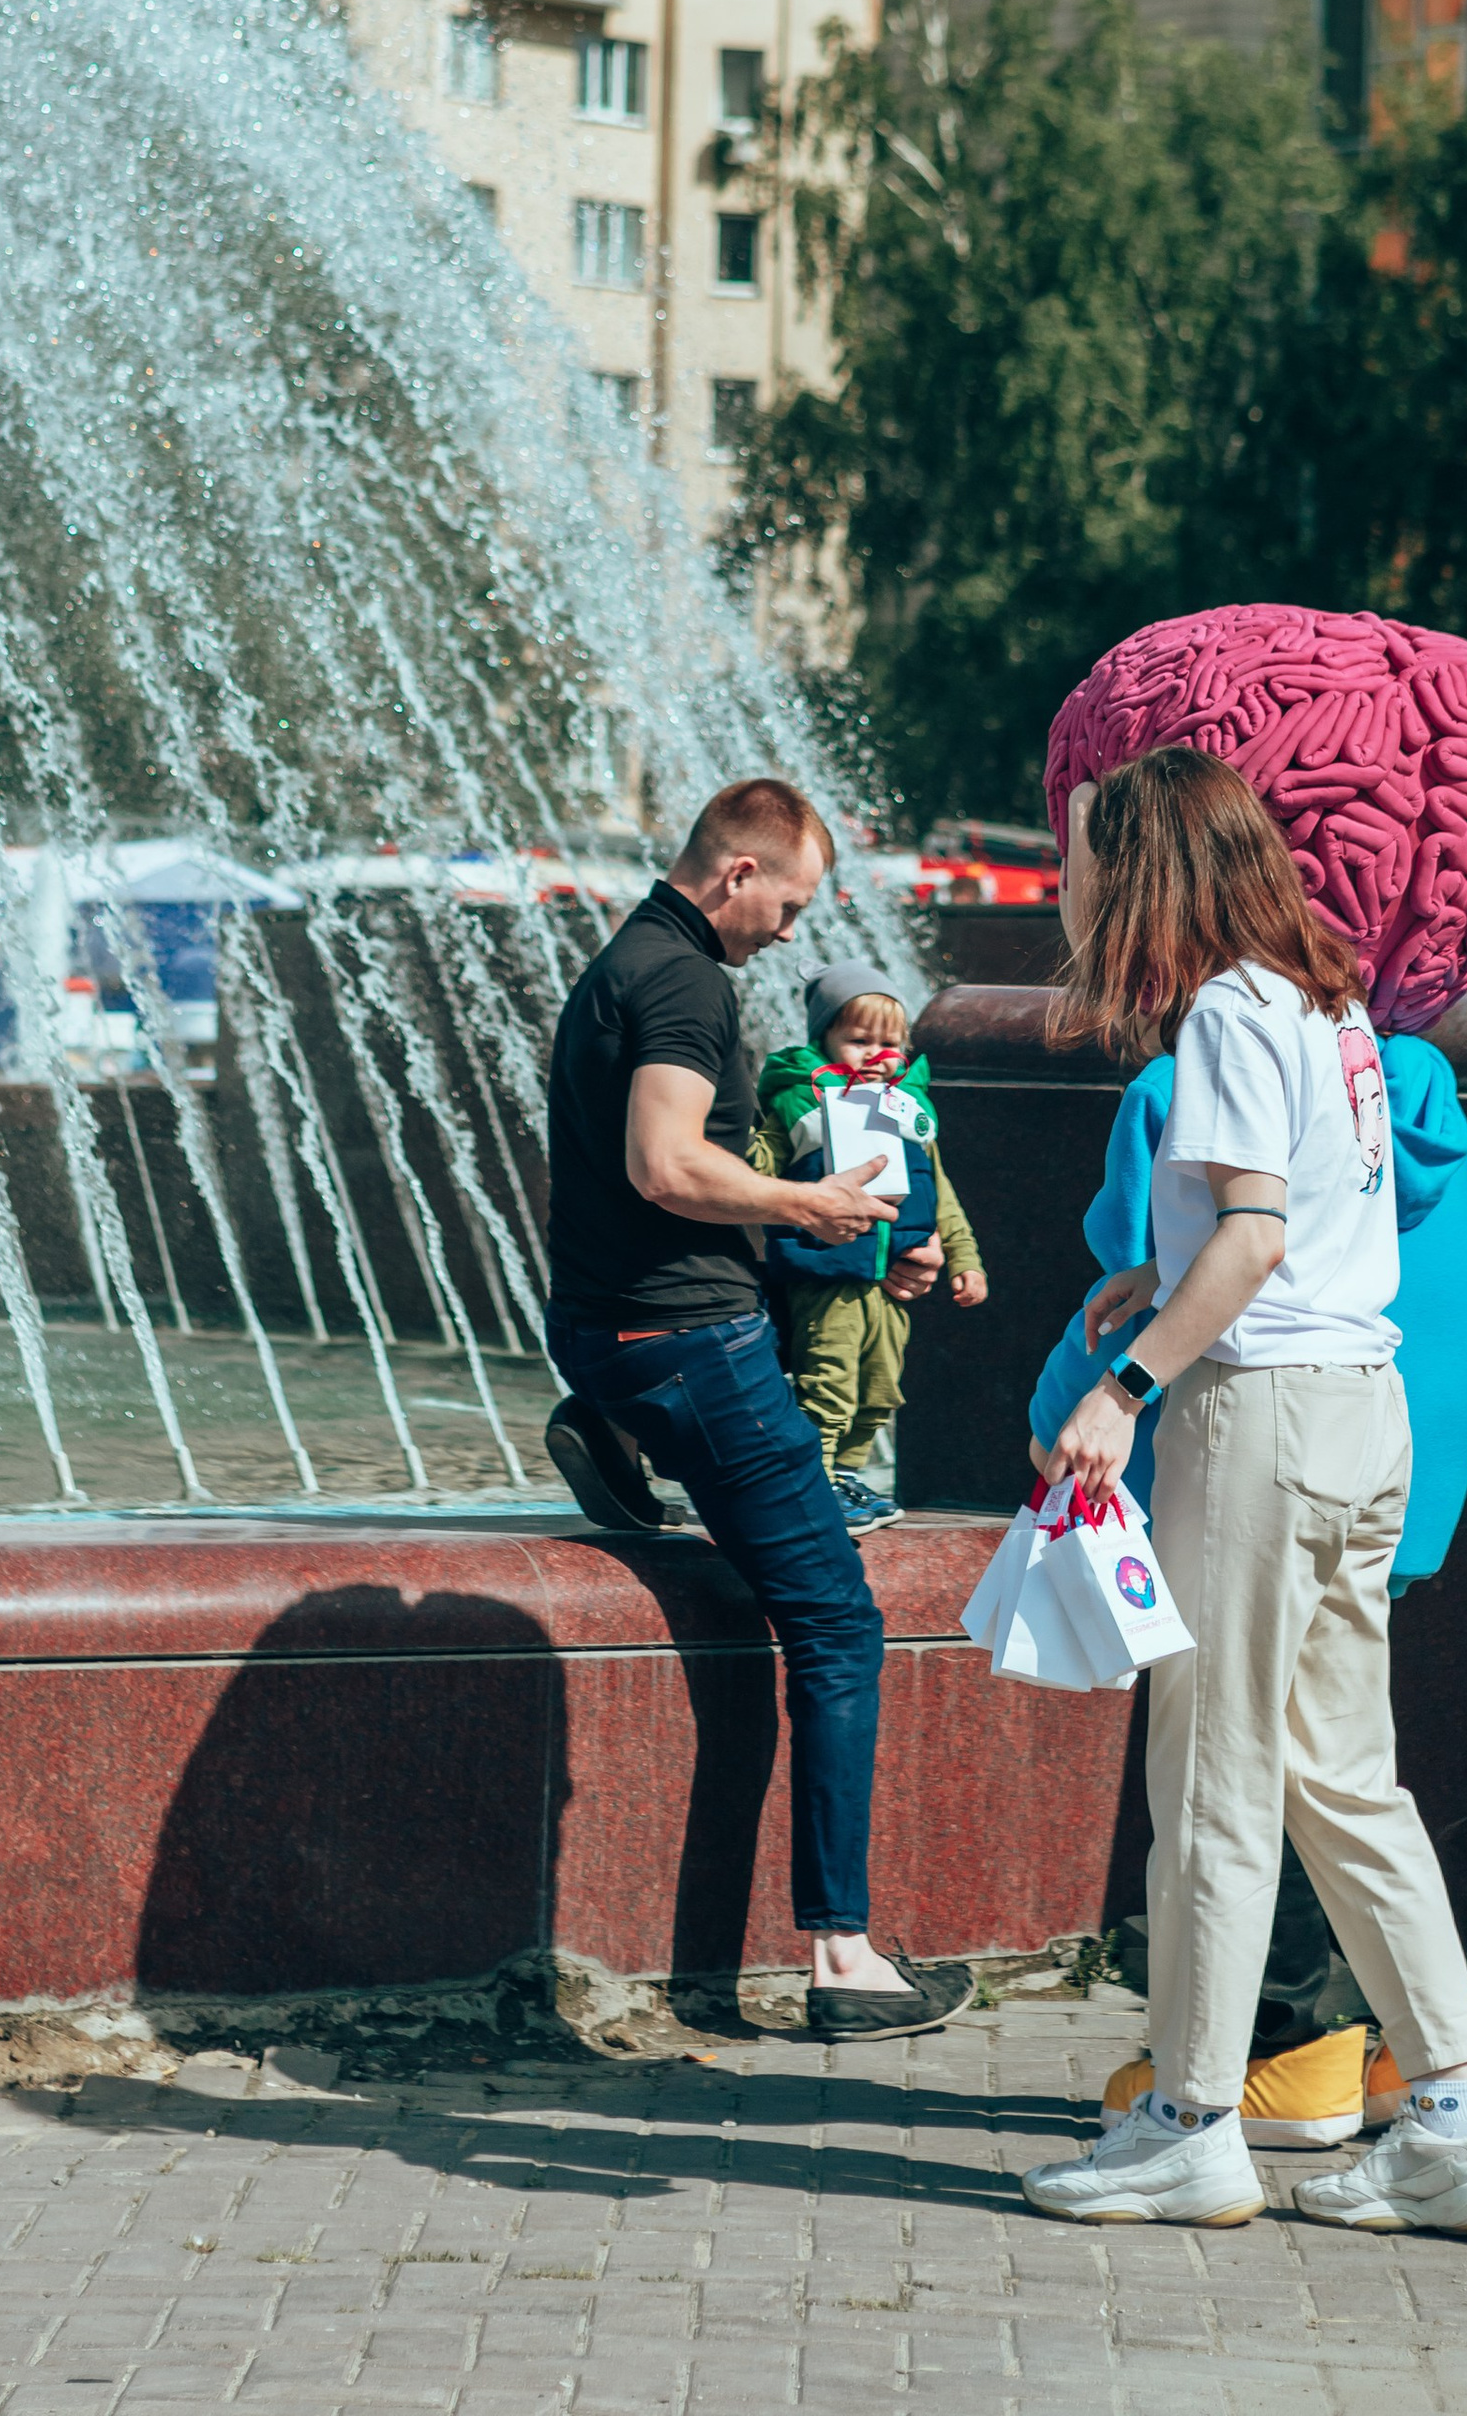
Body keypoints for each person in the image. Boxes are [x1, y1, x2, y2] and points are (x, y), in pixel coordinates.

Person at [1020, 749, 1467, 2238]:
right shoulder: (1331, 1006)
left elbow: (1252, 1240)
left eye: (1089, 861)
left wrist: (1126, 1385)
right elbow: (1296, 1225)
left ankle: (1188, 2122)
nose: (1076, 889)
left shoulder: (1229, 1014)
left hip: (1262, 1424)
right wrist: (1162, 1275)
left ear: (1147, 869)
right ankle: (1453, 2118)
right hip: (1362, 1416)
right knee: (1345, 1781)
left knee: (1212, 1782)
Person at [540, 779, 971, 2037]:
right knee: (836, 1621)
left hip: (615, 1326)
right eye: (787, 903)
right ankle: (842, 1960)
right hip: (692, 1349)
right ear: (734, 874)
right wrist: (812, 1207)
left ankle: (619, 1422)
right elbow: (665, 1168)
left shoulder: (622, 961)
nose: (791, 932)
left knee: (782, 1555)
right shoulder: (687, 985)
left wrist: (842, 1257)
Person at [747, 959, 987, 1529]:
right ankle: (815, 1479)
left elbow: (941, 1192)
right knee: (826, 1380)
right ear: (824, 1039)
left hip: (893, 1280)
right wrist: (742, 1139)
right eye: (858, 1041)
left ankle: (846, 1473)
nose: (876, 1055)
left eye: (889, 1042)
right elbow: (761, 1170)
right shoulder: (799, 1102)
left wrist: (966, 1258)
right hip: (827, 1274)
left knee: (880, 1388)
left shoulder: (910, 1109)